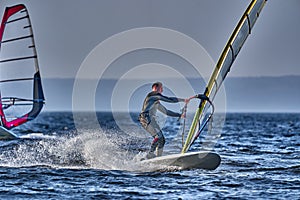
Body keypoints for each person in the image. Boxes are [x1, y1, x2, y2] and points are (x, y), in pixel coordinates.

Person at [139, 82, 193, 159]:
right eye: (161, 88)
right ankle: (150, 154)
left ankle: (158, 158)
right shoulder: (153, 95)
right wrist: (183, 100)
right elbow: (169, 100)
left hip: (151, 120)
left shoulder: (155, 101)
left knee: (162, 140)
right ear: (156, 87)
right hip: (145, 118)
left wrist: (180, 115)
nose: (162, 90)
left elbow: (166, 112)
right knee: (158, 137)